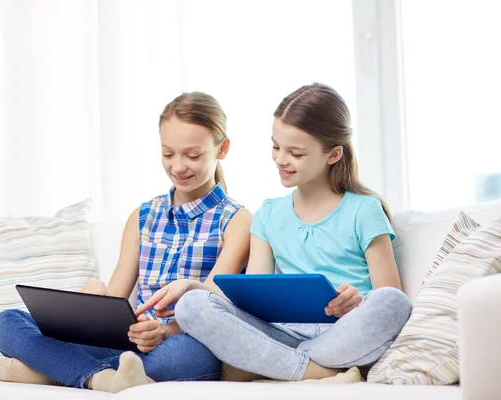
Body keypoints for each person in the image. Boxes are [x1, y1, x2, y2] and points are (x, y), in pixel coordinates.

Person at [137, 83, 413, 383]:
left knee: (393, 304)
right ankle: (317, 372)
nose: (281, 159)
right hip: (282, 334)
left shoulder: (364, 209)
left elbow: (390, 292)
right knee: (191, 305)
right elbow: (250, 296)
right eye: (276, 147)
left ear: (333, 154)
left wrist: (357, 300)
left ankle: (291, 366)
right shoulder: (268, 214)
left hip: (344, 331)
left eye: (295, 153)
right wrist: (190, 285)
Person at [0, 92, 252, 392]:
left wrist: (165, 332)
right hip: (127, 344)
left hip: (183, 342)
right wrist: (89, 304)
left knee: (187, 357)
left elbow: (215, 303)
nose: (178, 166)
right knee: (5, 322)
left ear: (223, 148)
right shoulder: (142, 216)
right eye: (168, 154)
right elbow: (116, 296)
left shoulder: (237, 220)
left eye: (192, 155)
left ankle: (51, 370)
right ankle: (102, 379)